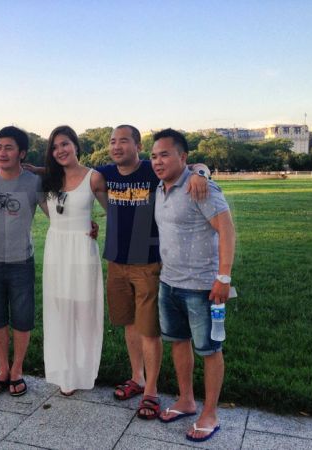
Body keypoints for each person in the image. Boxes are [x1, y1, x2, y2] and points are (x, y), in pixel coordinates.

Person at [96, 125, 210, 420]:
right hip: (116, 261)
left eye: (123, 141)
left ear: (138, 146)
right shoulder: (106, 173)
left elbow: (194, 166)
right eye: (112, 141)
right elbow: (72, 172)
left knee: (149, 329)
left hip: (148, 263)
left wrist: (201, 173)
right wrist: (31, 167)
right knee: (129, 324)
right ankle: (137, 377)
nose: (116, 146)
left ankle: (151, 391)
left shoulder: (152, 169)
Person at [152, 129, 235, 443]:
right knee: (178, 342)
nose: (158, 161)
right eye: (154, 156)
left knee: (210, 350)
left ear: (183, 157)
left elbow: (227, 230)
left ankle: (210, 413)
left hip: (202, 286)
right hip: (169, 283)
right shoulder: (160, 188)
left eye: (165, 154)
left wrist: (223, 277)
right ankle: (186, 400)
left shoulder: (201, 187)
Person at [0, 126, 47, 397]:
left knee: (22, 318)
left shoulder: (33, 182)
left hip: (21, 262)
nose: (1, 152)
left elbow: (55, 212)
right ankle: (2, 369)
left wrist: (40, 170)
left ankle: (17, 370)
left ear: (22, 153)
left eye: (8, 148)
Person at [41, 125, 107, 395]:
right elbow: (53, 212)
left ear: (76, 146)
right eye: (55, 147)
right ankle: (66, 370)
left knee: (83, 312)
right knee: (60, 309)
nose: (60, 150)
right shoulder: (49, 179)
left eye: (65, 144)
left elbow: (114, 212)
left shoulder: (94, 178)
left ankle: (84, 369)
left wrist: (94, 227)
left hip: (81, 250)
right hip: (56, 249)